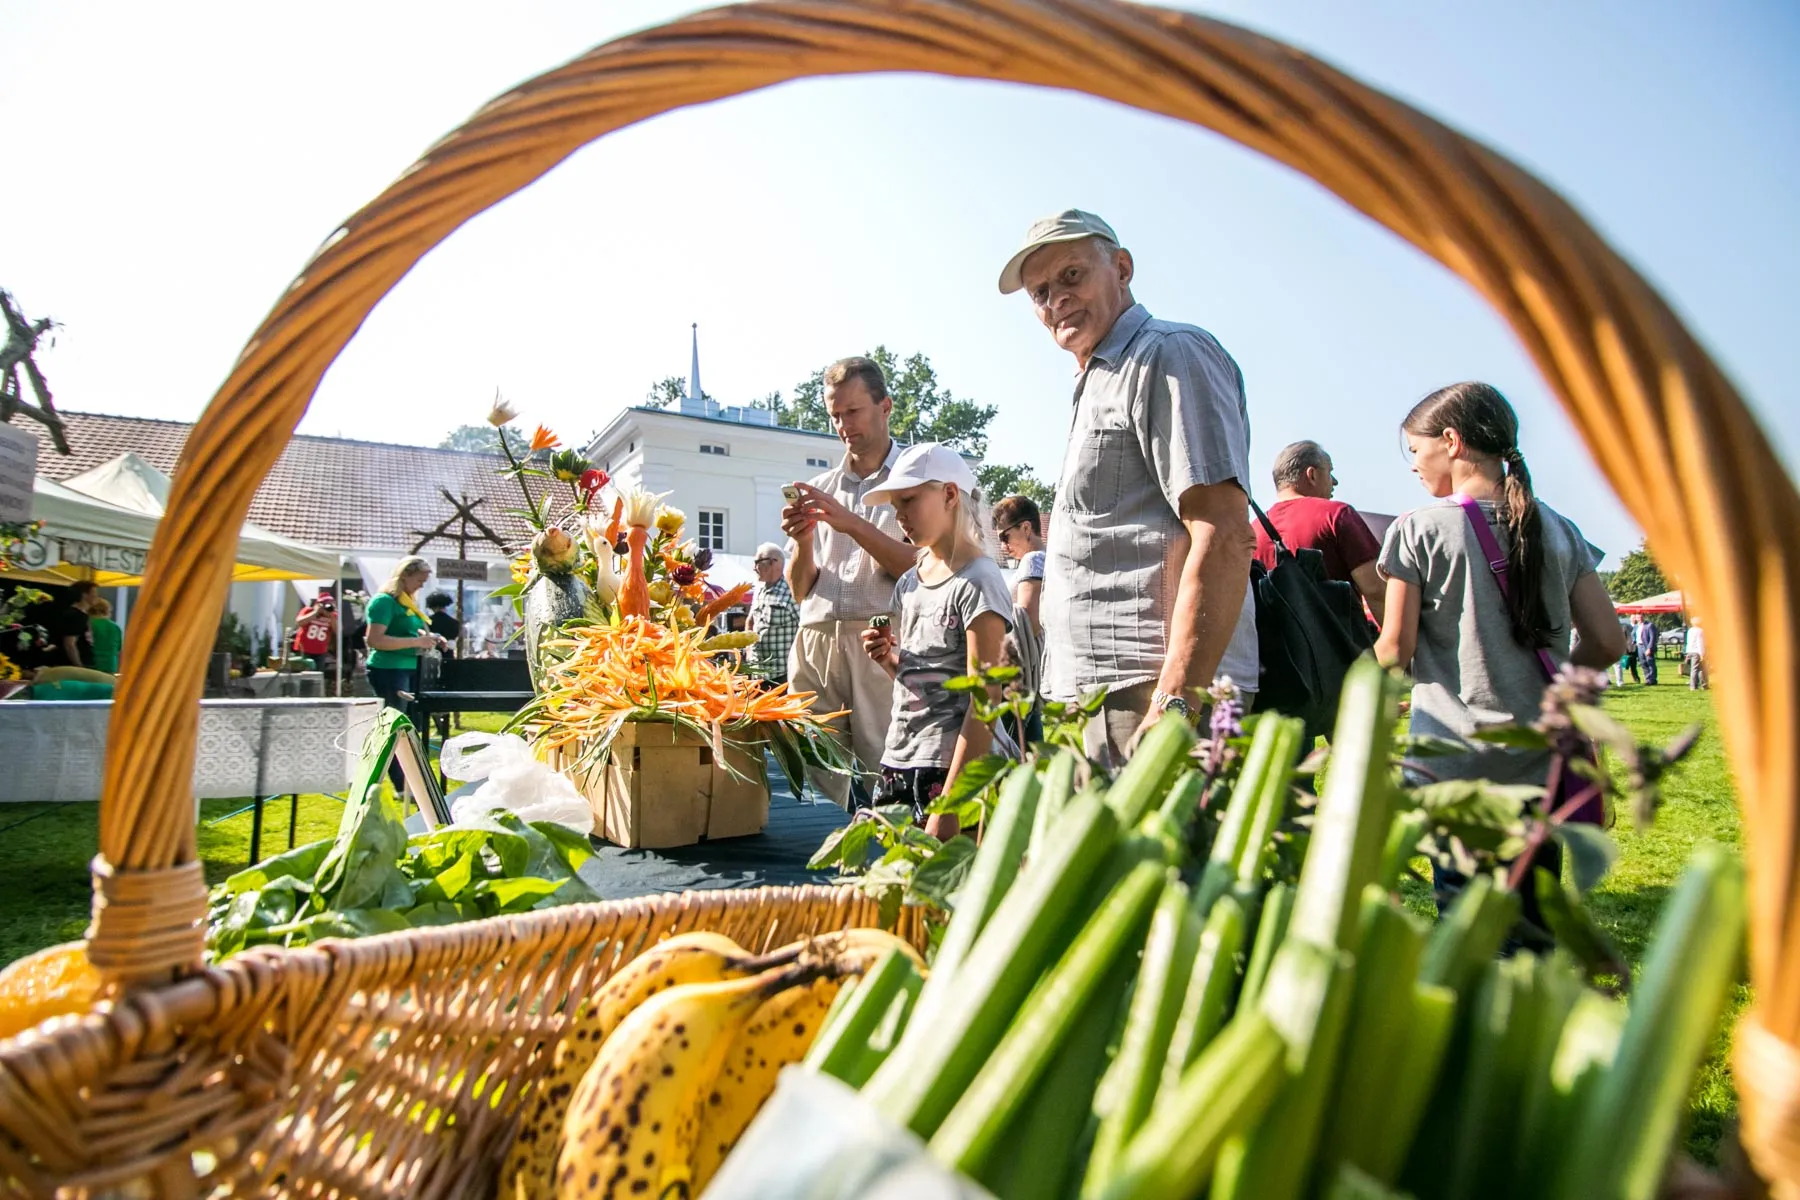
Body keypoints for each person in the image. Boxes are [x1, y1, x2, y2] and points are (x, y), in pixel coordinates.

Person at [1000, 209, 1259, 762]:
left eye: (1071, 276)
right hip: (1093, 695)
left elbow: (1224, 532)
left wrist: (1178, 702)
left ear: (1122, 268)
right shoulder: (1099, 376)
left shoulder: (1169, 353)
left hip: (1149, 694)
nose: (1056, 300)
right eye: (1040, 292)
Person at [1373, 382, 1625, 920]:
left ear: (1451, 440)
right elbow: (1608, 642)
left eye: (1415, 451)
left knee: (1466, 929)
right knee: (1530, 922)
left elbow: (1395, 650)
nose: (1413, 467)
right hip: (1539, 757)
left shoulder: (1418, 529)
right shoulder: (1560, 528)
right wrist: (1555, 683)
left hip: (1454, 760)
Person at [860, 444, 1014, 838]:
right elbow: (926, 683)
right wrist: (889, 660)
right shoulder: (911, 581)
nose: (900, 515)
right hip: (901, 758)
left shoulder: (979, 582)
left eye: (909, 500)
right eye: (896, 505)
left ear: (949, 494)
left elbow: (985, 698)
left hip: (952, 769)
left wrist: (952, 803)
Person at [782, 356, 915, 807]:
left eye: (852, 411)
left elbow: (923, 569)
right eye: (835, 415)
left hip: (879, 640)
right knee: (822, 777)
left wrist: (852, 524)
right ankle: (838, 866)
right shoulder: (822, 485)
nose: (842, 425)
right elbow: (801, 589)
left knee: (889, 769)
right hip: (816, 640)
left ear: (885, 407)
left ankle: (893, 862)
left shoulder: (916, 482)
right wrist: (802, 541)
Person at [1252, 440, 1386, 628]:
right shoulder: (1335, 515)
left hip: (1280, 654)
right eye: (1330, 472)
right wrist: (1400, 651)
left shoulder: (1253, 532)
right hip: (1343, 648)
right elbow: (1375, 590)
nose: (1335, 482)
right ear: (1312, 475)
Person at [365, 557, 446, 786]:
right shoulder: (384, 602)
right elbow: (375, 640)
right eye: (419, 580)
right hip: (389, 670)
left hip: (410, 670)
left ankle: (410, 781)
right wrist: (416, 642)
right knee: (395, 729)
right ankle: (399, 783)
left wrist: (432, 639)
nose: (422, 585)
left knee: (411, 728)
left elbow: (411, 633)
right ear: (405, 576)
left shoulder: (406, 602)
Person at [992, 494, 1047, 744]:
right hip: (1029, 675)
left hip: (1019, 674)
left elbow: (1027, 620)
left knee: (1019, 747)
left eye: (1005, 536)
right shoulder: (1046, 560)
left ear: (1026, 528)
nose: (1003, 546)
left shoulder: (1033, 559)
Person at [746, 542, 799, 688]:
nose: (754, 567)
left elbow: (805, 629)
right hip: (757, 675)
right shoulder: (759, 589)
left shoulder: (792, 591)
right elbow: (750, 621)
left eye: (757, 562)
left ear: (772, 562)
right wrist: (749, 651)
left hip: (783, 676)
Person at [48, 582, 97, 669]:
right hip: (73, 666)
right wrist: (79, 666)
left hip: (82, 663)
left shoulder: (82, 615)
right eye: (94, 593)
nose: (96, 597)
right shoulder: (75, 615)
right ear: (84, 595)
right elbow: (70, 644)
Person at [87, 598, 123, 675]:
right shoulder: (115, 627)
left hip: (93, 665)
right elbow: (119, 650)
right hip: (111, 665)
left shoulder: (89, 624)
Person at [425, 591, 461, 658]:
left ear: (433, 606)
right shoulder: (454, 622)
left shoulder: (427, 621)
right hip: (448, 655)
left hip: (431, 655)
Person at [1635, 611, 1660, 686]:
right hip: (1639, 646)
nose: (1639, 618)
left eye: (1641, 616)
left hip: (1646, 646)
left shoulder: (1649, 625)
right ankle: (1647, 678)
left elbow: (1653, 638)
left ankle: (1653, 679)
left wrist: (1649, 648)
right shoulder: (1637, 626)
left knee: (1650, 662)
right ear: (1636, 618)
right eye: (1638, 617)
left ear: (1644, 617)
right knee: (1643, 663)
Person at [1685, 620, 1708, 690]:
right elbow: (1700, 643)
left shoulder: (1690, 630)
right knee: (1695, 669)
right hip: (1697, 651)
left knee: (1700, 668)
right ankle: (1693, 686)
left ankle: (1704, 684)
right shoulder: (1700, 631)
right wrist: (1702, 654)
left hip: (1690, 650)